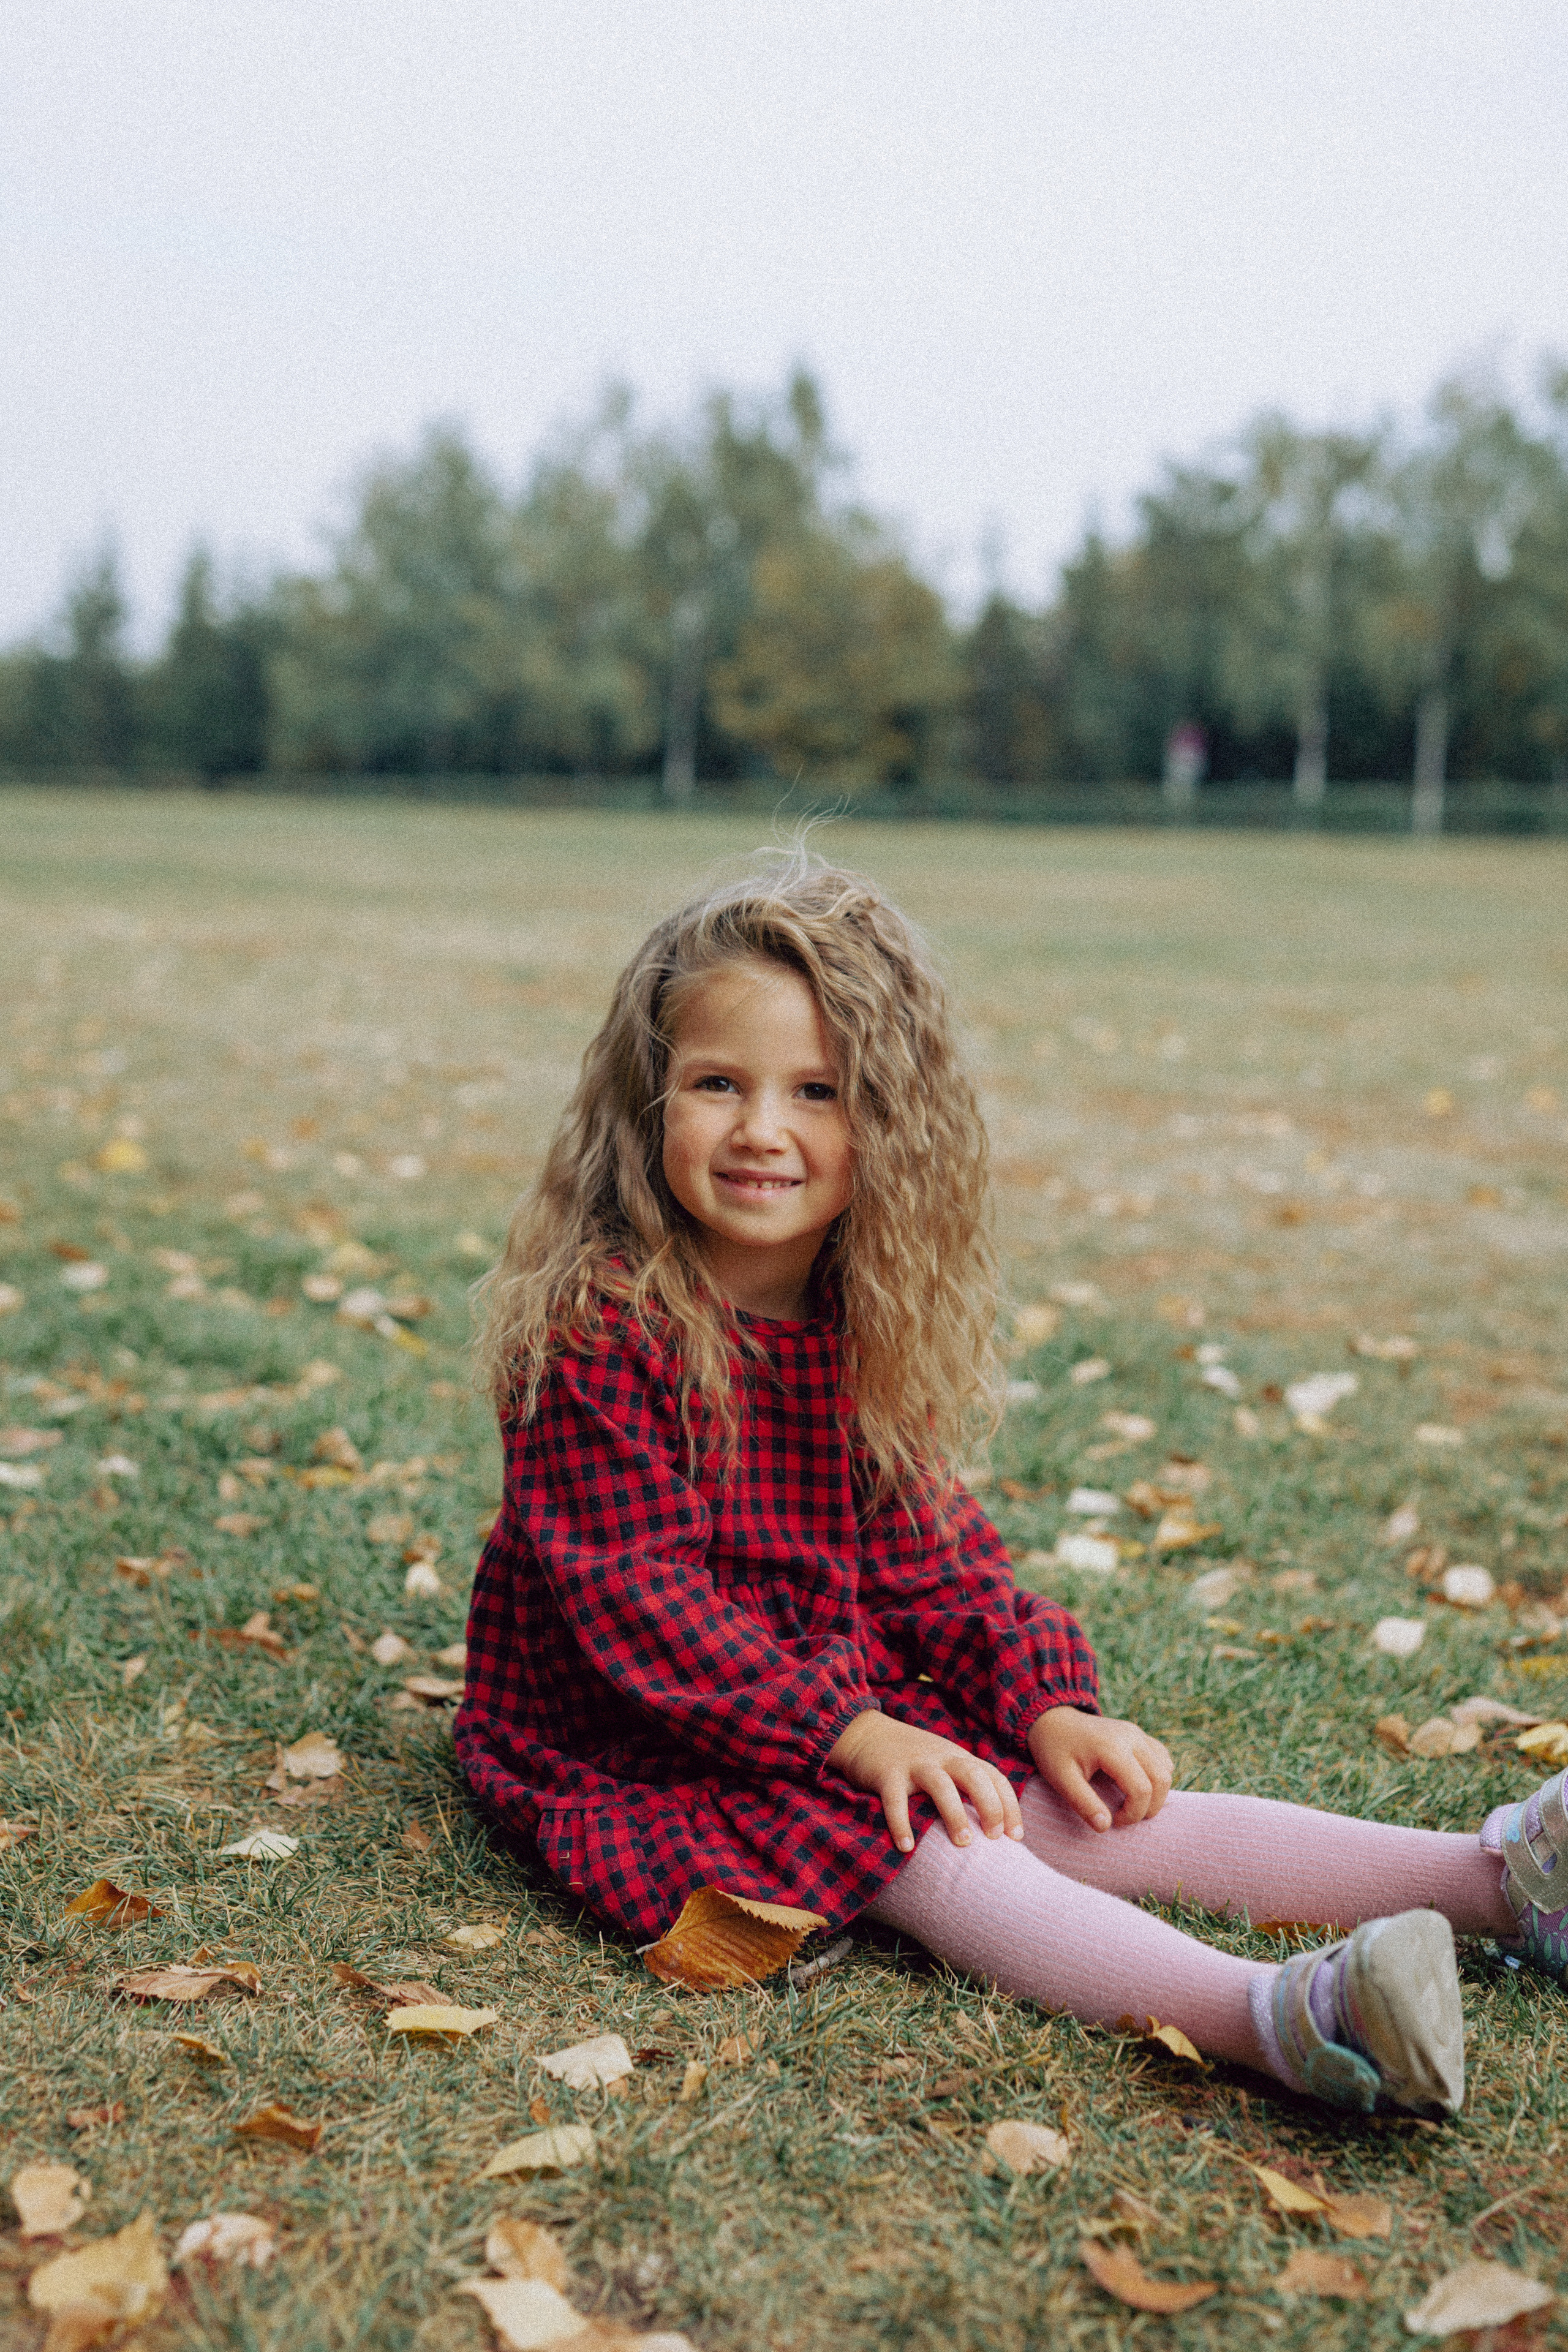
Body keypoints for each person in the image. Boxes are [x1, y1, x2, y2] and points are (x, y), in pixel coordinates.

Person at [457, 850, 1565, 2119]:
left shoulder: (856, 1318)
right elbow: (639, 1610)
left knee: (1061, 1804)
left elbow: (940, 1565)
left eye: (816, 1091)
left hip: (817, 1687)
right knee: (920, 1841)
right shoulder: (598, 1332)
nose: (762, 1128)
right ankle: (1273, 2021)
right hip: (636, 1730)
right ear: (647, 1104)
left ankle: (1504, 1886)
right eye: (718, 1083)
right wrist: (856, 1734)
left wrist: (1044, 1706)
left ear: (887, 1128)